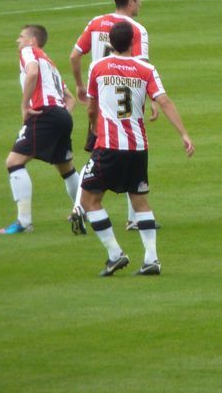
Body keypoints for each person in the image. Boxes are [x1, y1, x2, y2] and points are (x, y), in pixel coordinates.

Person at [76, 21, 194, 276]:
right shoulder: (146, 69)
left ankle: (115, 254)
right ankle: (151, 259)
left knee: (89, 200)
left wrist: (94, 127)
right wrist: (183, 133)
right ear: (132, 42)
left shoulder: (98, 66)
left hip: (108, 145)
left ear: (110, 43)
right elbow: (164, 101)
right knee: (139, 200)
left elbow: (91, 106)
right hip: (138, 146)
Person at [70, 0, 156, 232]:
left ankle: (81, 208)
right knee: (132, 158)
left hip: (100, 97)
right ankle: (130, 218)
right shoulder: (137, 29)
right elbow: (139, 70)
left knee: (97, 155)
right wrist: (151, 101)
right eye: (139, 0)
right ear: (130, 1)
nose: (140, 4)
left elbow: (75, 55)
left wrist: (80, 86)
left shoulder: (95, 22)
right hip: (126, 101)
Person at [0, 25, 79, 235]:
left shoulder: (29, 53)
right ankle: (84, 210)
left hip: (44, 113)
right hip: (61, 114)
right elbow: (71, 99)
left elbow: (31, 73)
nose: (18, 40)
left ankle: (24, 222)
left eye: (22, 36)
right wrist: (61, 119)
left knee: (14, 163)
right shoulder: (49, 63)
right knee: (65, 167)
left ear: (32, 41)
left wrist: (25, 106)